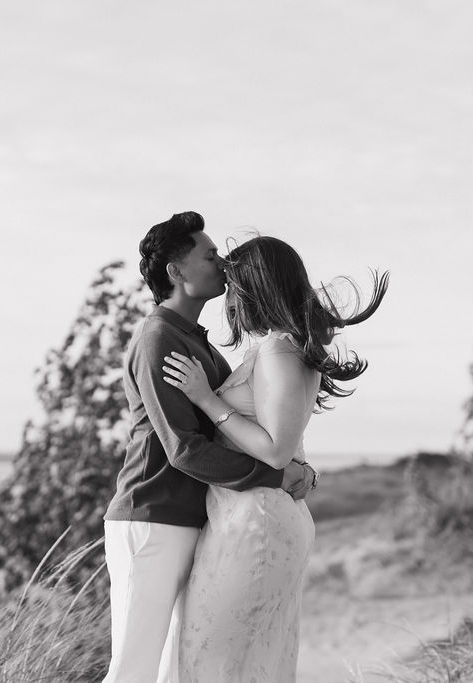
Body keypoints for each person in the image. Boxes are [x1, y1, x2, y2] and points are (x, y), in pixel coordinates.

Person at [101, 212, 317, 683]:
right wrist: (277, 476)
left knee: (173, 666)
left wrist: (299, 467)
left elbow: (251, 424)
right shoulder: (158, 339)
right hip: (152, 518)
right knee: (132, 670)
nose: (222, 263)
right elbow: (185, 449)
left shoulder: (200, 344)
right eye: (209, 254)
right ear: (176, 272)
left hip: (195, 519)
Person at [161, 235, 388, 682]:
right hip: (256, 518)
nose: (227, 298)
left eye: (231, 285)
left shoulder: (279, 349)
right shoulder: (280, 347)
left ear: (253, 287)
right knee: (253, 662)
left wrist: (207, 400)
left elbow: (276, 448)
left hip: (256, 525)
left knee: (208, 659)